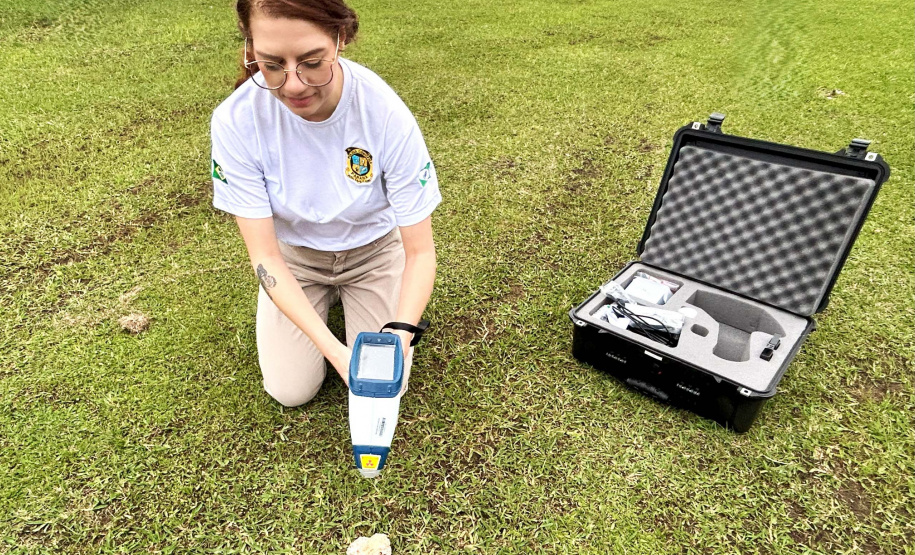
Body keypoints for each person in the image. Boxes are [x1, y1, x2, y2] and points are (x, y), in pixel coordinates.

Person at [210, 0, 441, 407]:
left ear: (340, 38)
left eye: (312, 62)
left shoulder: (383, 111)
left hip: (373, 253)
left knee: (385, 383)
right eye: (272, 64)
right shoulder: (236, 120)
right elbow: (266, 256)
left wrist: (401, 334)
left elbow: (420, 252)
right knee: (291, 391)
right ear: (250, 48)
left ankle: (356, 295)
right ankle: (322, 300)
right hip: (296, 260)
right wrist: (336, 352)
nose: (294, 85)